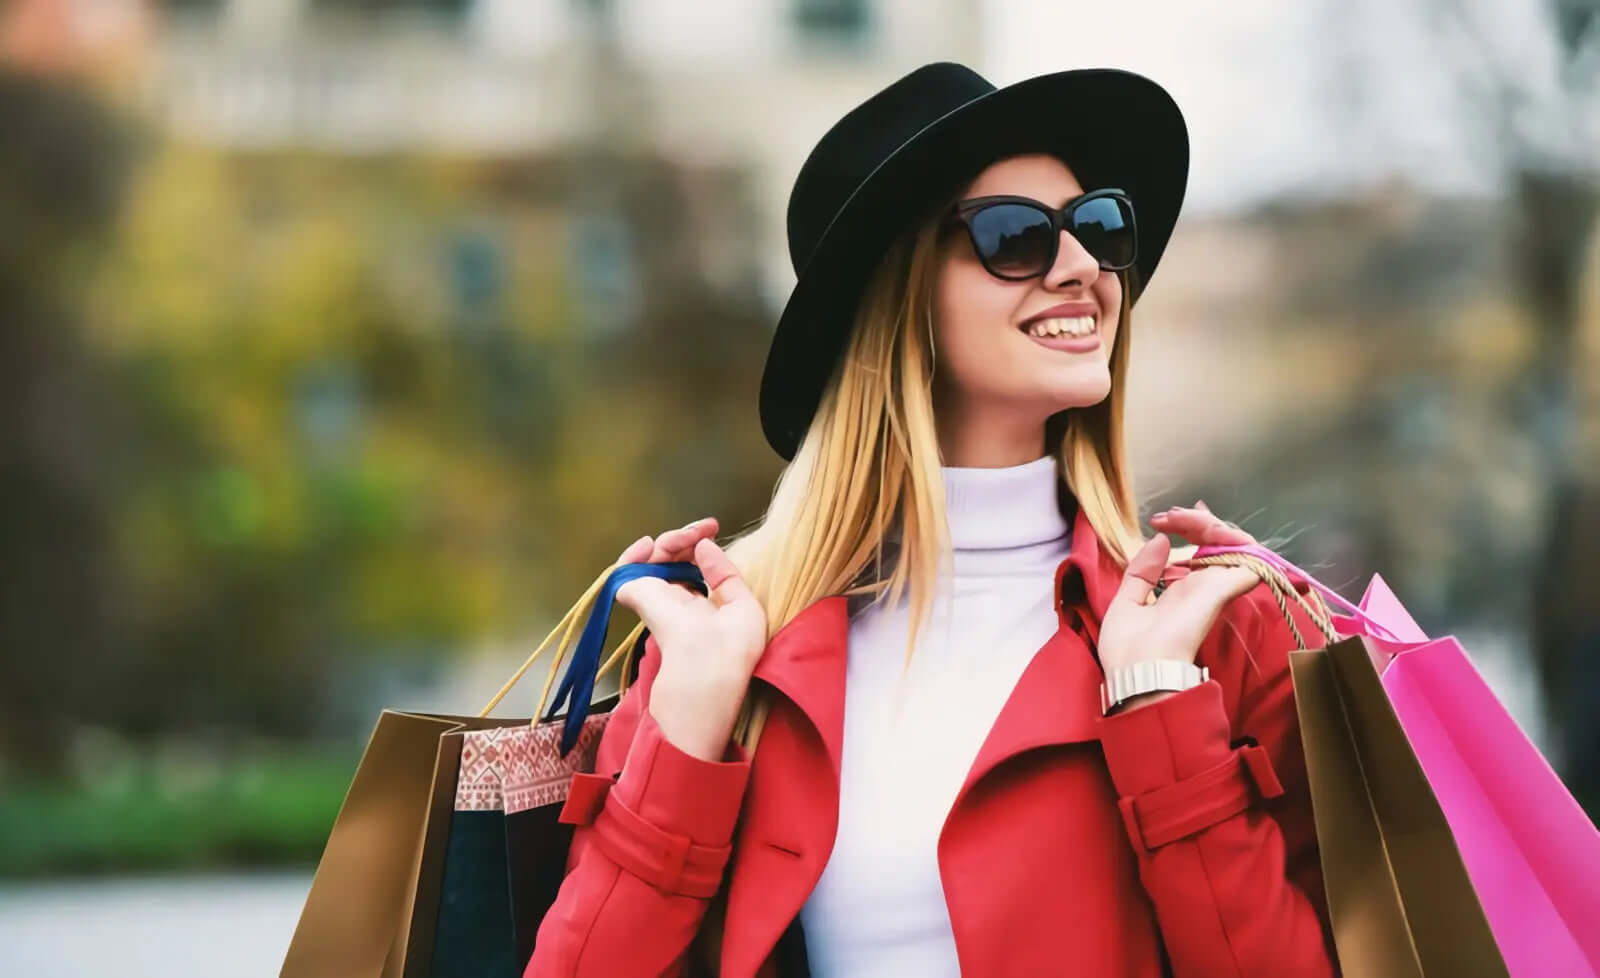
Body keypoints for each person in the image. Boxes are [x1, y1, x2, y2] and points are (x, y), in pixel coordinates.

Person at [526, 62, 1339, 978]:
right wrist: (682, 736)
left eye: (1099, 227)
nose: (1082, 268)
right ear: (900, 300)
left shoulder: (1218, 627)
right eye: (1015, 237)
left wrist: (1159, 709)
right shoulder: (728, 644)